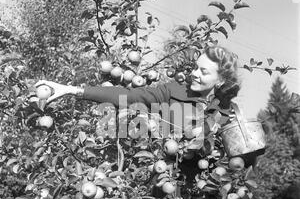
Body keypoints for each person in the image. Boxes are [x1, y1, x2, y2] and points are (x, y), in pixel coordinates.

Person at [35, 45, 240, 139]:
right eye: (195, 67)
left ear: (220, 80)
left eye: (203, 71)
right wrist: (73, 90)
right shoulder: (174, 90)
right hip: (166, 186)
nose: (194, 74)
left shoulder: (226, 112)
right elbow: (128, 96)